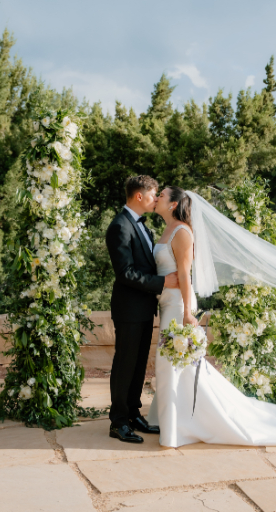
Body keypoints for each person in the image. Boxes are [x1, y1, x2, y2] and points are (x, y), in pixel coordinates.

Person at [145, 186, 276, 448]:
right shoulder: (166, 230)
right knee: (175, 364)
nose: (157, 198)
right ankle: (173, 419)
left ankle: (180, 426)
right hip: (167, 303)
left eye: (162, 195)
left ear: (174, 204)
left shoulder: (182, 232)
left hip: (178, 305)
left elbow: (186, 276)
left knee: (171, 361)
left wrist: (188, 313)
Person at [105, 175, 180, 444]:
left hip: (144, 307)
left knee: (138, 365)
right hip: (128, 308)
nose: (156, 198)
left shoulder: (142, 227)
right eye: (153, 194)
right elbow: (125, 273)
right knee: (125, 364)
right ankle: (118, 422)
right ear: (140, 196)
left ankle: (134, 414)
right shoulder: (119, 226)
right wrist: (163, 283)